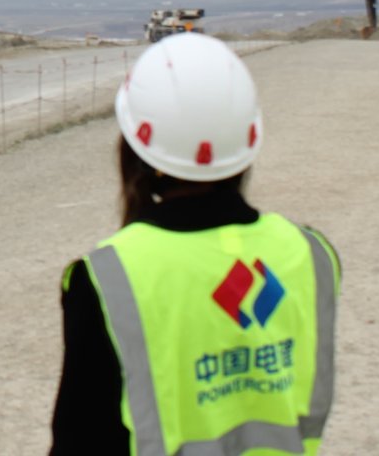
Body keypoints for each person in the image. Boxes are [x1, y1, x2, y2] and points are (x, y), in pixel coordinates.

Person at [50, 33, 340, 454]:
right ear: (248, 138)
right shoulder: (312, 254)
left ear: (133, 144)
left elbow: (81, 440)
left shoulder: (108, 279)